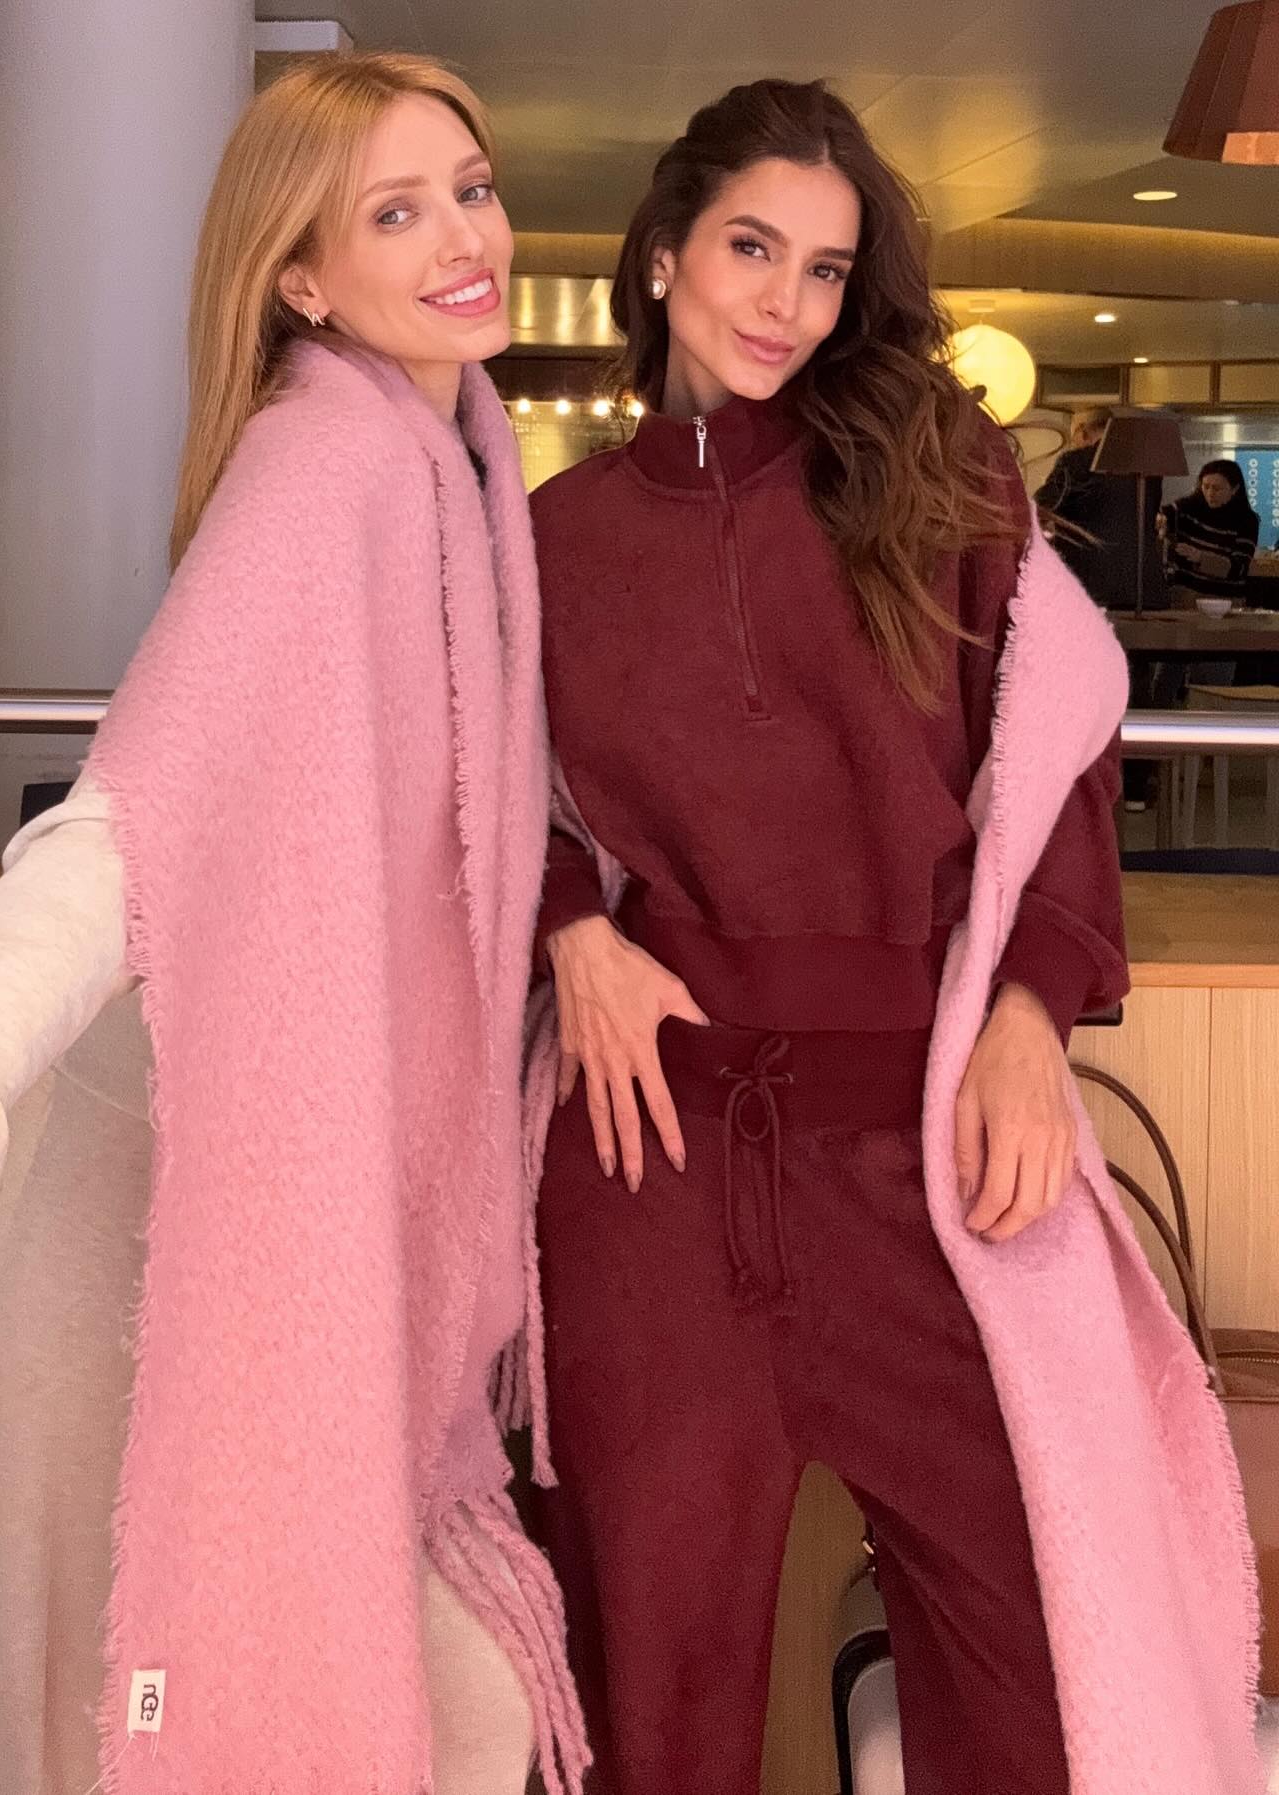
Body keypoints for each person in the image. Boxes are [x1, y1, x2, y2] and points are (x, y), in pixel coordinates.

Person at [0, 54, 586, 1795]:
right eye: (396, 212)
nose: (465, 238)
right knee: (101, 1712)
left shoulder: (452, 468)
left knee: (436, 1695)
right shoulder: (322, 472)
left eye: (470, 188)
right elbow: (118, 837)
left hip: (253, 1165)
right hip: (121, 1178)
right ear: (301, 278)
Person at [520, 80, 1261, 1795]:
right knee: (650, 1688)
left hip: (918, 1147)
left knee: (1042, 1651)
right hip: (647, 1155)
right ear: (661, 252)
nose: (785, 301)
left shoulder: (938, 476)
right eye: (751, 248)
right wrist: (570, 927)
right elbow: (470, 794)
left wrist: (1030, 1016)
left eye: (827, 268)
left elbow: (1060, 751)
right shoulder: (552, 541)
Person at [1033, 406, 1137, 612]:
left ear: (1082, 431)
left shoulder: (1075, 461)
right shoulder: (1144, 466)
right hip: (1139, 585)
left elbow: (1042, 505)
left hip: (1087, 581)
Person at [1160, 457, 1261, 610]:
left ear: (1234, 489)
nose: (1210, 493)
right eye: (1205, 486)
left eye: (1217, 488)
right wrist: (1161, 521)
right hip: (1184, 598)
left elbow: (1239, 568)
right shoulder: (1187, 508)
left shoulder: (1246, 521)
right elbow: (1162, 515)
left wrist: (1201, 558)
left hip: (1224, 601)